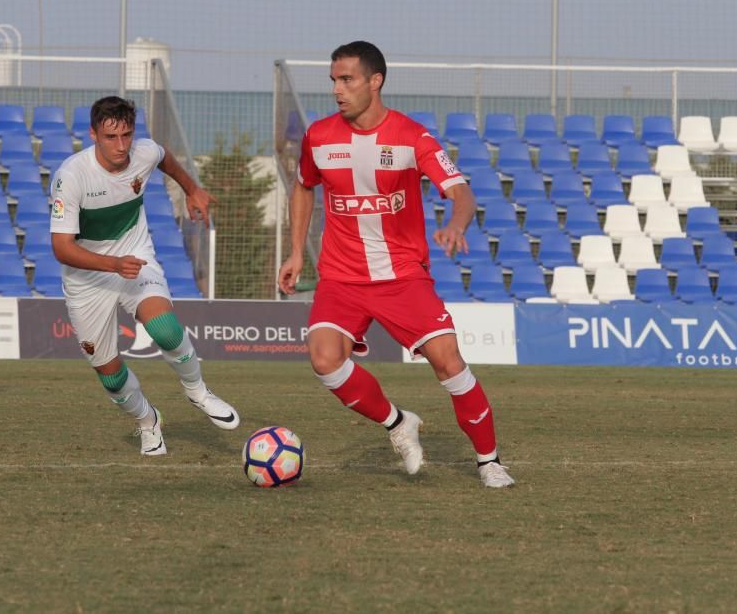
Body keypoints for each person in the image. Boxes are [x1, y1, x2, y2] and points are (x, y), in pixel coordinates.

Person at [277, 41, 514, 487]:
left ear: (375, 81)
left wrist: (456, 226)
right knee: (325, 359)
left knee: (448, 362)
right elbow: (303, 186)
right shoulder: (319, 137)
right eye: (334, 80)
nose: (337, 90)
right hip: (341, 277)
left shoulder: (412, 136)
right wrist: (294, 251)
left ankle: (489, 462)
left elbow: (460, 192)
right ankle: (397, 423)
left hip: (401, 277)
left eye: (347, 79)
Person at [50, 96, 240, 455]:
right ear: (93, 134)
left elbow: (164, 156)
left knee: (165, 330)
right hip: (87, 277)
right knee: (110, 376)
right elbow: (61, 248)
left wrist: (192, 189)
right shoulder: (71, 177)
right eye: (111, 137)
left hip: (135, 259)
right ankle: (147, 421)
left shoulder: (143, 152)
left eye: (127, 135)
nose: (121, 146)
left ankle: (198, 392)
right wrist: (111, 264)